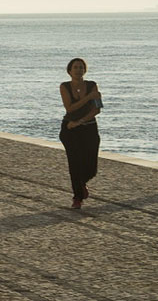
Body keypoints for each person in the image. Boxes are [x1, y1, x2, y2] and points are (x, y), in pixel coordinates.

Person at [58, 57, 101, 209]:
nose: (78, 70)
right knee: (75, 164)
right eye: (75, 67)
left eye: (81, 67)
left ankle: (81, 184)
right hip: (70, 130)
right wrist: (88, 97)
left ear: (85, 70)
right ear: (69, 71)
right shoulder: (64, 86)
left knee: (91, 167)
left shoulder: (92, 85)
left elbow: (97, 109)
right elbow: (70, 108)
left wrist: (80, 121)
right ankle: (77, 197)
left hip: (89, 128)